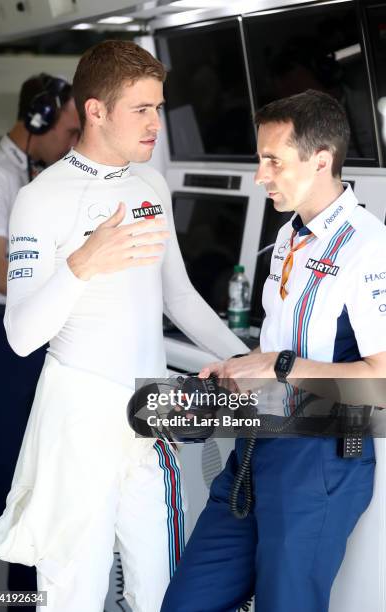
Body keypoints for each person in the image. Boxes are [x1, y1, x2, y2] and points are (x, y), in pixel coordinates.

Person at [0, 40, 248, 612]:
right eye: (142, 109)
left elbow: (178, 296)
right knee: (71, 593)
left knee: (160, 592)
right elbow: (21, 336)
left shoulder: (150, 185)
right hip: (77, 417)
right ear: (96, 110)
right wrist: (84, 263)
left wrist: (248, 357)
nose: (157, 123)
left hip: (149, 412)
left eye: (159, 107)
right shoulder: (40, 199)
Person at [161, 90, 386, 612]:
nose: (260, 176)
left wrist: (278, 367)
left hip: (321, 463)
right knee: (186, 603)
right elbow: (280, 348)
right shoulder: (287, 236)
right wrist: (241, 368)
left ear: (321, 160)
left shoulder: (369, 248)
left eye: (273, 161)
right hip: (256, 446)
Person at [0, 73, 80, 608]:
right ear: (38, 118)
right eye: (67, 130)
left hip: (33, 332)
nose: (71, 143)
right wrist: (74, 278)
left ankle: (21, 600)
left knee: (34, 478)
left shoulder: (41, 173)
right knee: (1, 474)